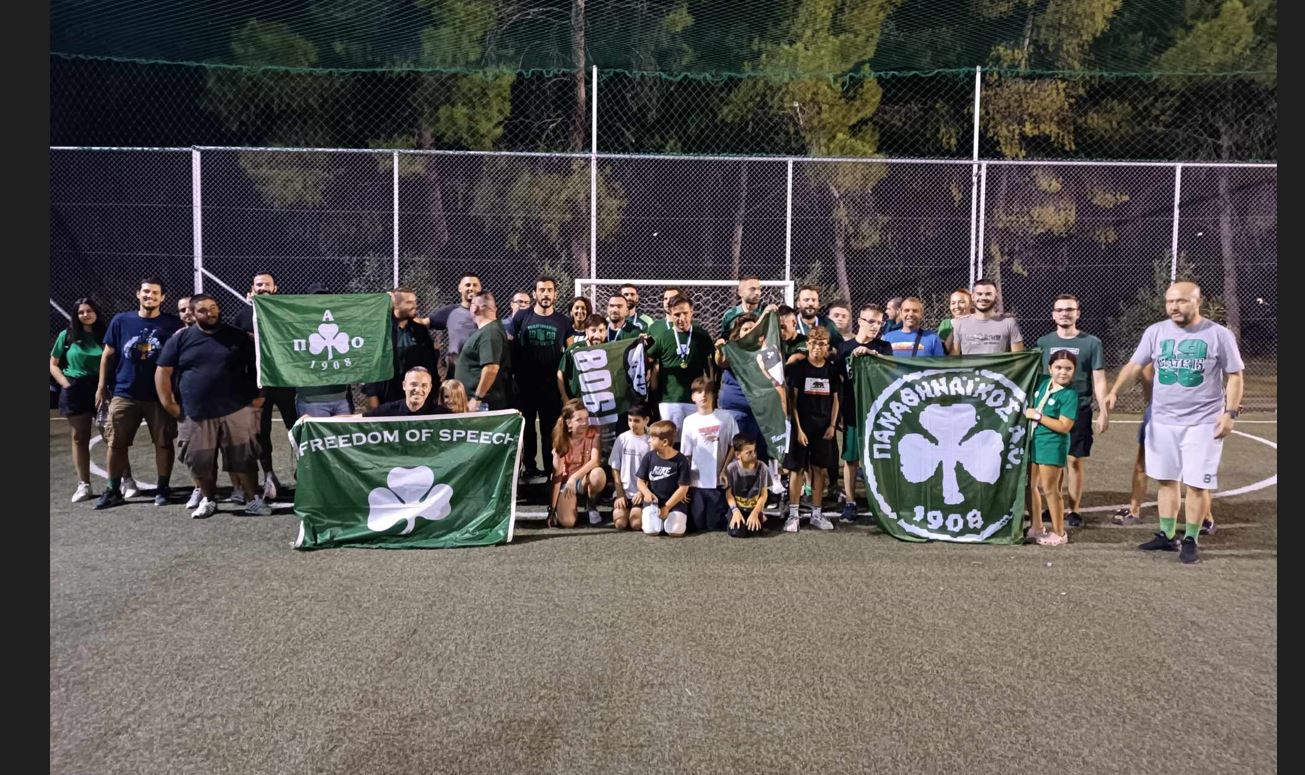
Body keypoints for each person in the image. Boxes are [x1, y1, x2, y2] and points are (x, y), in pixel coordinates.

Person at [1104, 281, 1244, 564]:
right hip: (1162, 420)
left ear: (1197, 302)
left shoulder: (1218, 334)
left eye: (1181, 301)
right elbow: (1134, 365)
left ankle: (1191, 538)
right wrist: (1114, 390)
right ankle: (1167, 535)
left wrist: (1229, 413)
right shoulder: (1155, 332)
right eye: (1170, 302)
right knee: (1167, 480)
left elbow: (1235, 376)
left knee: (1196, 484)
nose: (1174, 307)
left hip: (1203, 422)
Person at [155, 294, 267, 519]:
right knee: (200, 460)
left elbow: (260, 365)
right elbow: (163, 371)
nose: (210, 313)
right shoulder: (181, 338)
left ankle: (253, 499)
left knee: (244, 458)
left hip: (236, 409)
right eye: (203, 310)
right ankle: (208, 499)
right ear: (193, 313)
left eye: (214, 307)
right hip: (196, 412)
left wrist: (260, 396)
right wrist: (169, 403)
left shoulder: (237, 336)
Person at [94, 277, 183, 509]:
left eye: (155, 293)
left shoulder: (172, 324)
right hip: (125, 392)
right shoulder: (121, 320)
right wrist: (101, 386)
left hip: (159, 395)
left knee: (163, 442)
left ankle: (163, 488)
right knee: (116, 443)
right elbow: (107, 355)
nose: (149, 296)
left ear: (162, 298)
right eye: (146, 292)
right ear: (138, 294)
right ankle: (113, 489)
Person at [1035, 294, 1108, 528]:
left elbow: (1098, 379)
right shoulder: (1043, 342)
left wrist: (1103, 411)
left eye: (1069, 309)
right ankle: (1052, 505)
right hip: (1050, 409)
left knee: (1074, 460)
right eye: (1060, 310)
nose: (1064, 313)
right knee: (1053, 460)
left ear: (1078, 313)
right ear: (1053, 314)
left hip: (1079, 408)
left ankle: (1074, 510)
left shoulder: (1091, 343)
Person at [232, 271, 298, 500]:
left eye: (266, 285)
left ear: (275, 288)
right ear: (252, 289)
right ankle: (269, 476)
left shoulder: (287, 312)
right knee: (261, 430)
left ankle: (305, 470)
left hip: (285, 381)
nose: (262, 288)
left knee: (296, 427)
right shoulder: (243, 315)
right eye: (258, 285)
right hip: (257, 384)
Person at [508, 276, 572, 483]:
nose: (546, 294)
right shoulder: (521, 317)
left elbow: (572, 352)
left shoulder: (563, 321)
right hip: (524, 386)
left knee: (549, 431)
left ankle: (550, 471)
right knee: (526, 430)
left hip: (551, 388)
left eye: (549, 290)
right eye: (542, 290)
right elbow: (509, 344)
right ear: (535, 293)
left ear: (555, 294)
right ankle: (529, 469)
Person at [835, 304, 891, 522]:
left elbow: (889, 369)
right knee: (851, 459)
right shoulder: (845, 348)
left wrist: (870, 353)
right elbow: (838, 380)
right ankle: (850, 501)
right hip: (852, 410)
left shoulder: (884, 347)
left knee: (876, 458)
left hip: (876, 412)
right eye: (871, 322)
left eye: (879, 322)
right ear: (860, 321)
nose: (875, 326)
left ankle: (879, 501)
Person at [784, 327, 841, 532]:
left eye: (822, 344)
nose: (817, 348)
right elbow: (793, 401)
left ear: (827, 347)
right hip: (802, 428)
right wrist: (798, 429)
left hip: (823, 428)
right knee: (796, 469)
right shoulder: (798, 368)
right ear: (808, 344)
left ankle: (817, 514)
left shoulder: (831, 370)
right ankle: (793, 515)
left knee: (819, 470)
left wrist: (832, 425)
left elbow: (836, 400)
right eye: (814, 343)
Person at [51, 298, 106, 503]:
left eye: (89, 311)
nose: (85, 315)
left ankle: (124, 480)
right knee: (79, 437)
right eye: (81, 312)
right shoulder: (67, 336)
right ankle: (84, 484)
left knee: (112, 437)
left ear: (96, 312)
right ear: (76, 315)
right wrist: (66, 385)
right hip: (76, 389)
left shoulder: (106, 334)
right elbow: (53, 363)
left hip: (102, 388)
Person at [1024, 351, 1079, 546]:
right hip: (1033, 441)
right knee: (1030, 485)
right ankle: (1036, 526)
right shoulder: (1042, 383)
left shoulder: (1070, 394)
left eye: (1068, 368)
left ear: (1074, 371)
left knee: (1050, 489)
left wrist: (1038, 416)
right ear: (1050, 368)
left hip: (1052, 444)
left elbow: (1064, 426)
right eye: (1058, 367)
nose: (1063, 372)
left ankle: (1059, 532)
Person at [646, 294, 715, 436]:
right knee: (669, 440)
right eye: (677, 314)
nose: (681, 318)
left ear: (692, 312)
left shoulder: (702, 336)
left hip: (696, 399)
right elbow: (648, 360)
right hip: (669, 400)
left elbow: (710, 366)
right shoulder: (664, 337)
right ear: (670, 314)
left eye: (685, 313)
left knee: (695, 439)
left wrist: (712, 392)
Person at [364, 286, 439, 410]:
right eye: (409, 302)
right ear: (396, 305)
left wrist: (433, 392)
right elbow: (371, 366)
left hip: (417, 398)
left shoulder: (421, 331)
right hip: (387, 398)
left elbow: (430, 365)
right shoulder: (381, 332)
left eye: (415, 301)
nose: (415, 305)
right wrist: (372, 395)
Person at [680, 377, 738, 532]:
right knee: (698, 525)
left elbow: (734, 445)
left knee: (714, 525)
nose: (704, 395)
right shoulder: (689, 421)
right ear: (693, 397)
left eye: (708, 391)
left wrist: (724, 470)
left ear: (714, 395)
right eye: (699, 392)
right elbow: (686, 454)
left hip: (717, 482)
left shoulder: (726, 417)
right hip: (697, 482)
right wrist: (684, 484)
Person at [294, 284, 353, 420]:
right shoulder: (298, 322)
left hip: (341, 397)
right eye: (316, 299)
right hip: (312, 400)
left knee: (343, 434)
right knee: (318, 434)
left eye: (324, 298)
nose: (321, 301)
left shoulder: (342, 320)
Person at [550, 400, 607, 528]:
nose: (585, 423)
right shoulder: (561, 440)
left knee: (598, 474)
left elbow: (595, 461)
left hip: (583, 480)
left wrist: (574, 478)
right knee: (568, 522)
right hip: (566, 484)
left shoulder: (594, 433)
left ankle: (591, 505)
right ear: (568, 422)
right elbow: (557, 477)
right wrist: (551, 509)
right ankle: (567, 504)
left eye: (586, 418)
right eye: (579, 420)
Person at [635, 420, 692, 537]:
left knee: (675, 531)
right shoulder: (649, 457)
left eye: (652, 438)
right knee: (651, 530)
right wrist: (646, 493)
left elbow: (683, 488)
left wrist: (667, 507)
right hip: (654, 502)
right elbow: (640, 481)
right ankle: (659, 522)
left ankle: (668, 520)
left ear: (664, 442)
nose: (649, 440)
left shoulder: (681, 460)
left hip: (674, 502)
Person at [457, 291, 511, 411]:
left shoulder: (490, 333)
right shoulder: (489, 330)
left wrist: (476, 398)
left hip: (482, 404)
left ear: (475, 308)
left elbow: (491, 368)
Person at [423, 273, 482, 379]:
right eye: (467, 285)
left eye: (475, 285)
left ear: (480, 288)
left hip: (479, 369)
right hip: (455, 370)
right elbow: (424, 323)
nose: (471, 288)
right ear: (460, 288)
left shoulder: (487, 313)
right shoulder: (451, 311)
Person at [948, 278, 1025, 355]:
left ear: (995, 296)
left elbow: (1019, 357)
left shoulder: (1009, 323)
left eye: (988, 294)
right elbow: (954, 357)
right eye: (979, 294)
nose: (983, 298)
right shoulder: (960, 324)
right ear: (973, 297)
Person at [609, 401, 653, 531]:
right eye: (630, 420)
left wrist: (642, 491)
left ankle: (639, 510)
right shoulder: (622, 439)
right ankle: (624, 510)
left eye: (636, 421)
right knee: (620, 523)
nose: (632, 424)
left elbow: (652, 470)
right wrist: (619, 493)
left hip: (640, 492)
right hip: (624, 491)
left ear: (646, 420)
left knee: (636, 524)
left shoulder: (650, 441)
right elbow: (615, 468)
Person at [724, 435, 770, 537]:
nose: (753, 455)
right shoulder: (731, 469)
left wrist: (755, 512)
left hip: (754, 508)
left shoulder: (762, 467)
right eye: (749, 452)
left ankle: (761, 516)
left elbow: (764, 495)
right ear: (738, 454)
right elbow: (728, 494)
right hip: (738, 508)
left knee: (755, 532)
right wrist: (735, 510)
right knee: (737, 532)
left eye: (754, 451)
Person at [558, 315, 609, 400]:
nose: (597, 335)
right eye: (593, 330)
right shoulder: (574, 349)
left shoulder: (609, 351)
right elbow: (560, 373)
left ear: (606, 332)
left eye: (601, 330)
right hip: (576, 401)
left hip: (600, 401)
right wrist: (564, 397)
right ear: (586, 331)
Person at [363, 367, 449, 417]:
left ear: (430, 388)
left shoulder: (440, 415)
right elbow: (360, 421)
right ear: (404, 385)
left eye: (424, 385)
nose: (418, 390)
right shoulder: (388, 410)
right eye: (414, 384)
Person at [719, 275, 764, 341]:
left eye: (759, 289)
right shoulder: (730, 315)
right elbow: (725, 340)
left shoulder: (766, 313)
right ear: (740, 292)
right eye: (752, 289)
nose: (757, 293)